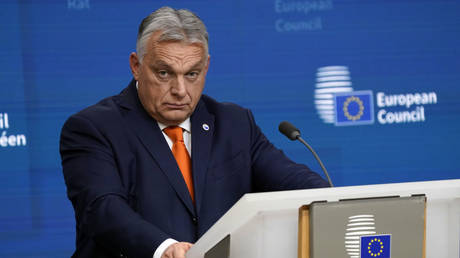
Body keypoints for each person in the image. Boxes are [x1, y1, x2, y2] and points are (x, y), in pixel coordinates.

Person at [59, 6, 330, 258]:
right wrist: (165, 247)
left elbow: (292, 181)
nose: (180, 90)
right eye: (164, 73)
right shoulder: (93, 128)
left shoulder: (233, 123)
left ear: (207, 67)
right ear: (136, 66)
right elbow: (103, 210)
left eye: (192, 74)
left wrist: (336, 202)